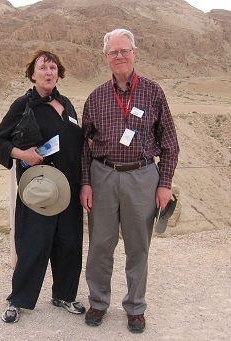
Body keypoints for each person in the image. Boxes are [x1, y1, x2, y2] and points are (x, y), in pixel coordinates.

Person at [80, 28, 179, 333]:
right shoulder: (95, 97)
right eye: (113, 52)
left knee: (139, 246)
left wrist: (164, 184)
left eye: (124, 50)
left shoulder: (153, 91)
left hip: (143, 175)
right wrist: (85, 182)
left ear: (135, 53)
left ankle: (135, 307)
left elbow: (170, 142)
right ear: (106, 58)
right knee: (100, 245)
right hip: (104, 176)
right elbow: (84, 145)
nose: (119, 56)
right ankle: (98, 302)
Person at [0, 50, 85, 323]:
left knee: (69, 244)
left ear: (59, 73)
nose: (48, 72)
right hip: (39, 188)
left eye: (53, 67)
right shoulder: (23, 104)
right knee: (33, 244)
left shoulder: (66, 103)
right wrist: (23, 155)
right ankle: (17, 300)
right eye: (43, 67)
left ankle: (64, 295)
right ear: (32, 74)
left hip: (68, 188)